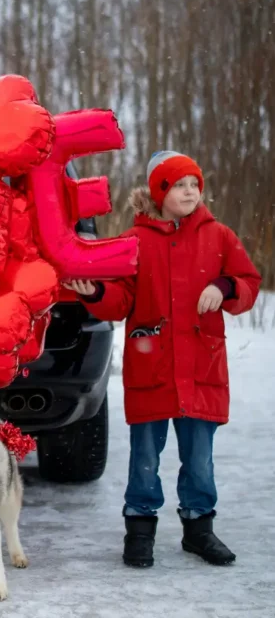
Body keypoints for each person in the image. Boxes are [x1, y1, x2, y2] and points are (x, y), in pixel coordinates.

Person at [65, 150, 261, 569]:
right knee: (145, 458)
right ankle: (139, 528)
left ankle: (199, 529)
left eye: (195, 184)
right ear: (160, 192)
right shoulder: (136, 241)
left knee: (199, 458)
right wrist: (95, 294)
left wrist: (225, 286)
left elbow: (249, 282)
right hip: (152, 364)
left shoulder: (219, 236)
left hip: (201, 366)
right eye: (180, 185)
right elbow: (122, 300)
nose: (190, 192)